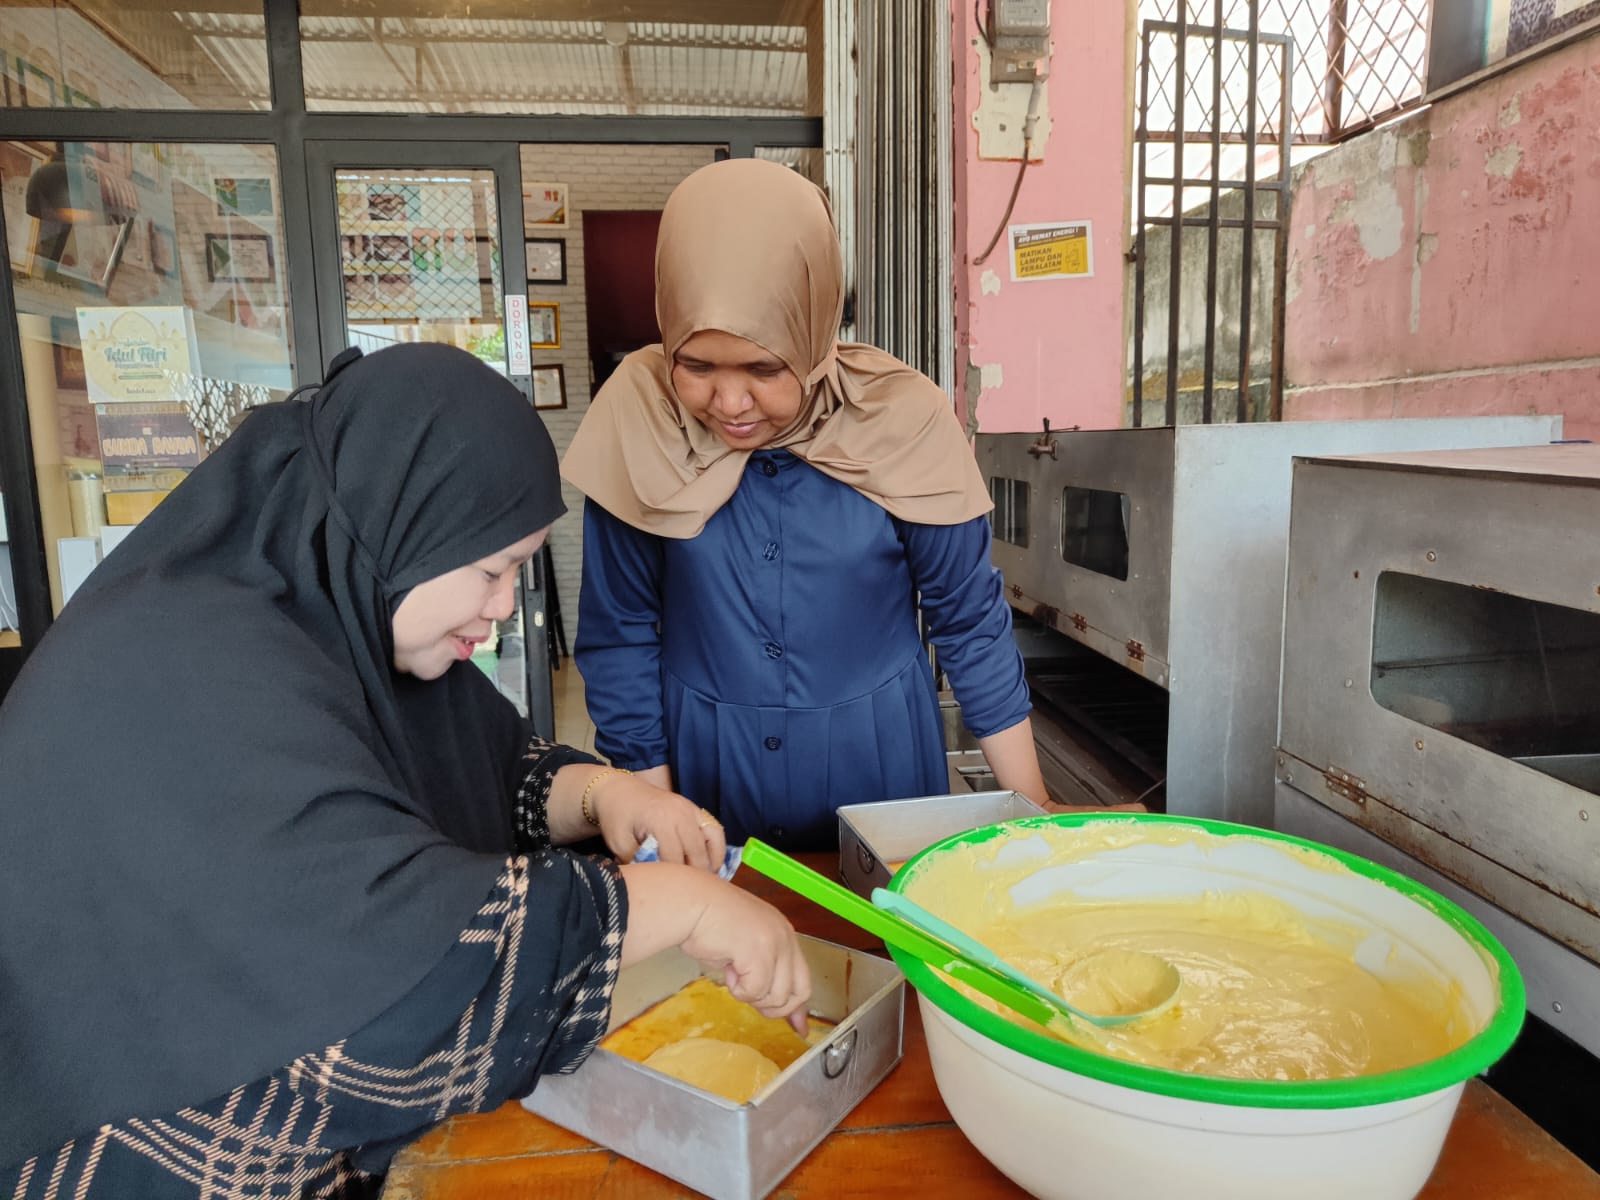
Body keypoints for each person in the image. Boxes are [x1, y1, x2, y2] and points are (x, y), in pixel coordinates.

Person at [0, 344, 810, 1199]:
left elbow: (491, 764)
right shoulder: (189, 674)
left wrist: (608, 793)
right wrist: (680, 904)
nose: (504, 607)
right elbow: (388, 984)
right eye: (492, 569)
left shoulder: (336, 616)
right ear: (403, 525)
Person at [563, 158, 1052, 851]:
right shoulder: (640, 419)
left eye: (765, 369)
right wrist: (658, 815)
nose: (730, 403)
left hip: (881, 766)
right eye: (696, 366)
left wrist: (1035, 808)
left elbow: (968, 622)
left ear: (817, 330)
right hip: (703, 771)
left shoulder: (903, 420)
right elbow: (620, 635)